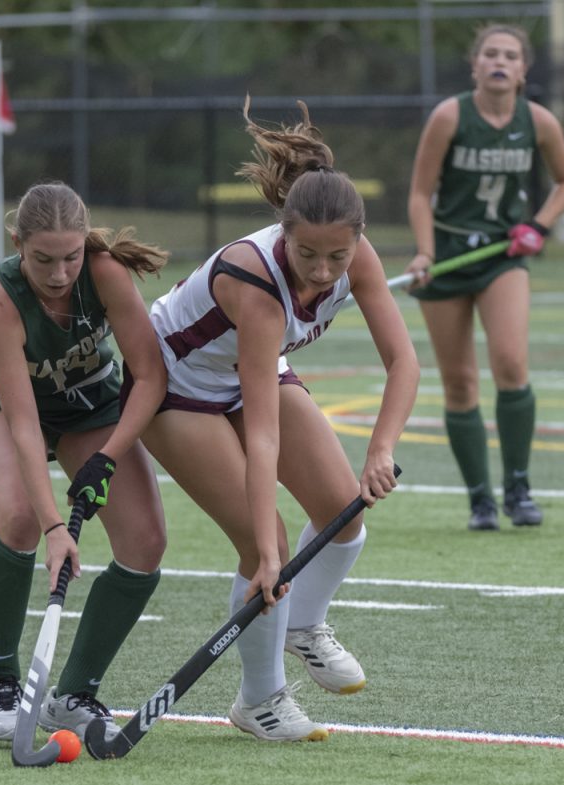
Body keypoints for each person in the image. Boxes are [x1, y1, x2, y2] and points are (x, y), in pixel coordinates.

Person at [138, 98, 420, 742]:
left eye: (338, 259)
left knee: (344, 514)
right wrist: (268, 553)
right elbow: (261, 431)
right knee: (263, 541)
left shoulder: (358, 256)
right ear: (283, 234)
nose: (323, 273)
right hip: (176, 384)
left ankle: (301, 624)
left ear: (356, 241)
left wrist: (381, 450)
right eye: (308, 255)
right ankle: (260, 700)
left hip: (250, 372)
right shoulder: (256, 281)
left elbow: (403, 362)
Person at [0, 182, 168, 743]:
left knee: (145, 541)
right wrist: (55, 526)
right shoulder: (0, 296)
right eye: (43, 259)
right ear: (17, 243)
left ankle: (73, 694)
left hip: (91, 402)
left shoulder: (105, 274)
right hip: (5, 403)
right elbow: (24, 425)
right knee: (23, 516)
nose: (58, 273)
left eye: (71, 257)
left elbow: (149, 377)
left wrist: (108, 457)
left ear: (86, 244)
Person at [405, 24, 564, 531]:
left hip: (504, 254)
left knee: (510, 361)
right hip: (447, 255)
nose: (500, 62)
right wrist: (424, 252)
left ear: (523, 70)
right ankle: (480, 500)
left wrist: (539, 227)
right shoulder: (449, 116)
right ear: (475, 65)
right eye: (490, 54)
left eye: (510, 55)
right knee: (459, 382)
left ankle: (519, 488)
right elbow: (419, 194)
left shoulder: (539, 121)